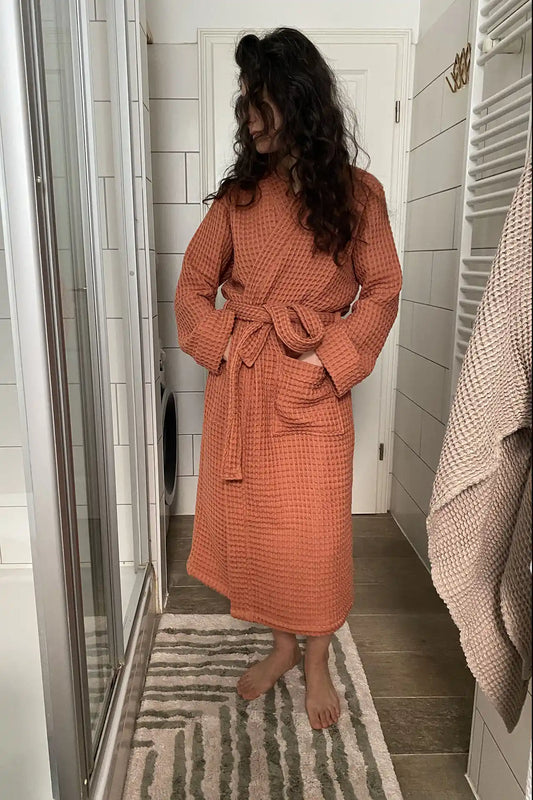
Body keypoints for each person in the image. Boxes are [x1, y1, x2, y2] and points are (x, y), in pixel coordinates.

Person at [174, 27, 402, 731]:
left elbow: (383, 287)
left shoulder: (359, 195)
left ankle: (317, 658)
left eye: (260, 102)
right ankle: (281, 646)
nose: (248, 119)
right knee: (264, 534)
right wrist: (225, 343)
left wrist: (327, 359)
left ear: (298, 102)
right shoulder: (238, 200)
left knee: (315, 534)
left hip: (312, 389)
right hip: (244, 386)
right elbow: (191, 287)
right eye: (244, 103)